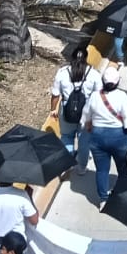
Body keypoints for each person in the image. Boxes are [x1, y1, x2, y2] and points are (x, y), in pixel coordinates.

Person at [82, 64, 127, 202]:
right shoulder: (122, 96)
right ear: (118, 82)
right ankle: (122, 190)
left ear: (103, 81)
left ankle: (103, 199)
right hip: (119, 138)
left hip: (98, 137)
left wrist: (90, 129)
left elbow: (87, 118)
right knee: (122, 165)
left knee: (102, 170)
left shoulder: (95, 96)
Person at [50, 43, 100, 175]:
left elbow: (55, 94)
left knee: (66, 137)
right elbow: (99, 96)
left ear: (72, 58)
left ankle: (66, 166)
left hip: (67, 111)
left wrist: (53, 109)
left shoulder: (62, 72)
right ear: (86, 57)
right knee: (84, 141)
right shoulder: (94, 74)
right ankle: (82, 168)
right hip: (87, 114)